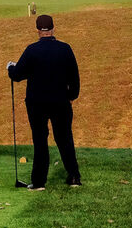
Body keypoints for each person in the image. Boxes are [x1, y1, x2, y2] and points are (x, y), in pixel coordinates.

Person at [7, 14, 81, 191]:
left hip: (37, 103)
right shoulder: (65, 49)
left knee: (40, 140)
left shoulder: (32, 50)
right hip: (61, 101)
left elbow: (17, 75)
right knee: (64, 138)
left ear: (38, 30)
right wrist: (72, 96)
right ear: (53, 29)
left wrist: (10, 67)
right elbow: (74, 76)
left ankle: (39, 182)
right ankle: (74, 177)